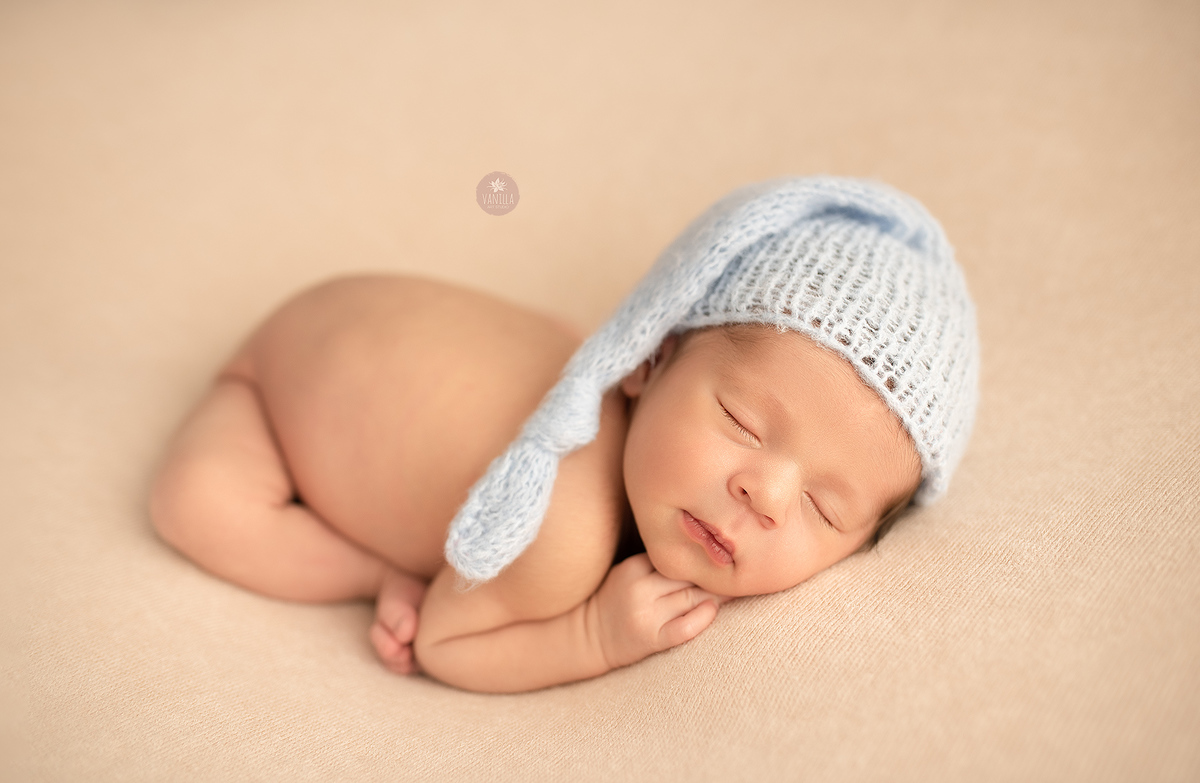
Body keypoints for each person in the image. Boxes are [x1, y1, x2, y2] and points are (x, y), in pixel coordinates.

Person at [148, 176, 979, 693]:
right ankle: (374, 566)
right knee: (193, 503)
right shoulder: (566, 523)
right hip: (270, 392)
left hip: (347, 313)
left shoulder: (631, 407)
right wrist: (591, 635)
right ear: (645, 358)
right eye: (742, 422)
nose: (763, 493)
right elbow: (447, 641)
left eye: (826, 509)